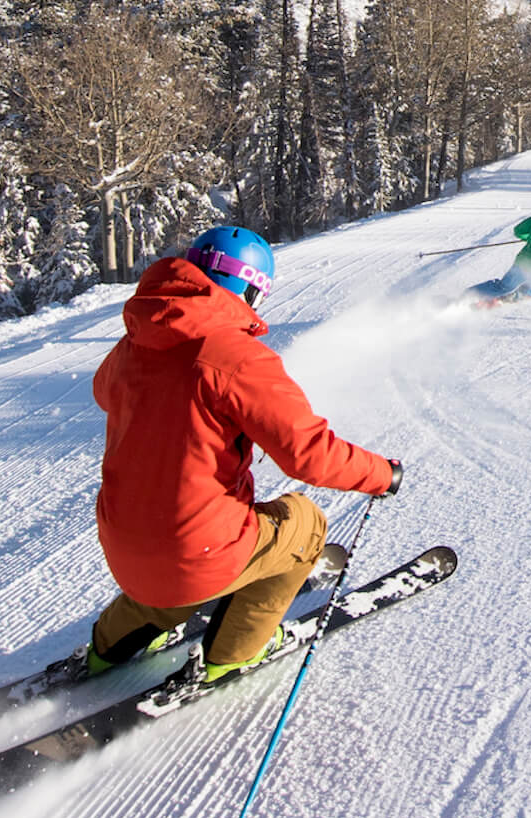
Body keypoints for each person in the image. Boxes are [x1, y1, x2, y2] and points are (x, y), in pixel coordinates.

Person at [84, 225, 401, 683]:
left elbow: (103, 392)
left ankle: (108, 646)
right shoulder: (236, 356)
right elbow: (308, 455)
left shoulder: (136, 342)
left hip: (122, 547)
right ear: (250, 289)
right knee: (303, 522)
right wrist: (381, 475)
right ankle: (233, 652)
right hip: (197, 555)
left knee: (177, 539)